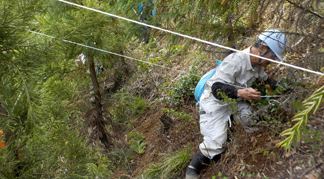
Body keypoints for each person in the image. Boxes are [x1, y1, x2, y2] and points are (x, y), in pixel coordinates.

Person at [186, 29, 287, 179]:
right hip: (215, 102)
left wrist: (286, 88)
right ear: (263, 48)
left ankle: (230, 122)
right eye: (272, 57)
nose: (271, 62)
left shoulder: (258, 65)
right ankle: (192, 169)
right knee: (216, 143)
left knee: (250, 119)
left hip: (235, 101)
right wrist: (241, 93)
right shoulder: (235, 61)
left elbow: (266, 80)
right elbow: (216, 88)